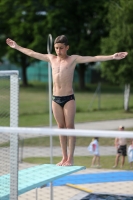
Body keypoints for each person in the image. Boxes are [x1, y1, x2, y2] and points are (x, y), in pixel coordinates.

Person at [6, 35, 128, 166]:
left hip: (68, 98)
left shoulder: (73, 59)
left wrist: (112, 56)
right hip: (55, 99)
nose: (58, 51)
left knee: (70, 127)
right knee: (60, 128)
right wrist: (16, 46)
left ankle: (70, 158)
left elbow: (94, 58)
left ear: (67, 47)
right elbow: (32, 53)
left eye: (61, 48)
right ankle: (64, 157)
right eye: (56, 48)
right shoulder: (51, 58)